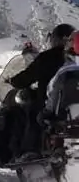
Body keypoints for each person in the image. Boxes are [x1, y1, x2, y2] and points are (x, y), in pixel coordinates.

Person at [8, 23, 76, 161]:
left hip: (51, 102)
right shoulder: (74, 59)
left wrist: (14, 81)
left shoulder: (49, 57)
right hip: (73, 108)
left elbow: (28, 76)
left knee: (32, 113)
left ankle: (30, 152)